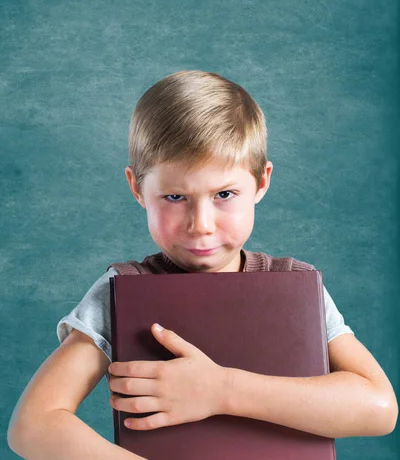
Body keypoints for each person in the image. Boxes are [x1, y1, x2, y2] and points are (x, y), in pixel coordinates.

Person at [8, 70, 398, 460]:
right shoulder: (122, 290)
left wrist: (221, 390)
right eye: (175, 196)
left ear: (261, 183)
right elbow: (34, 425)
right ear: (137, 188)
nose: (201, 225)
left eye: (224, 194)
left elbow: (378, 409)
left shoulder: (296, 286)